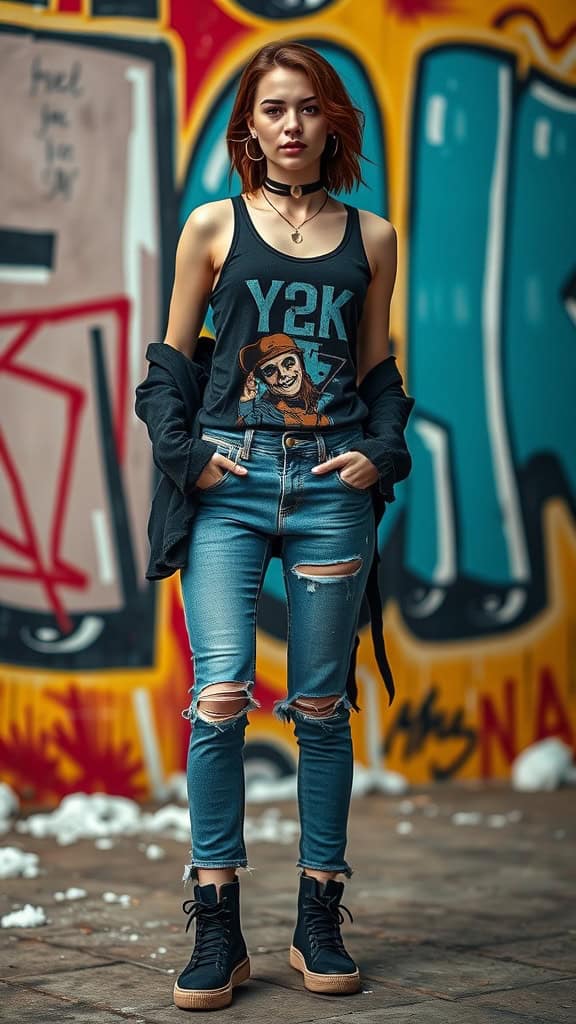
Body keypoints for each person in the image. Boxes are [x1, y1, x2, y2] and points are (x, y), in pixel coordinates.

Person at [135, 40, 415, 1012]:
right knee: (219, 694)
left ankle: (317, 912)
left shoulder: (371, 236)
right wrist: (187, 455)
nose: (290, 124)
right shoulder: (212, 227)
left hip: (332, 487)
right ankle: (216, 919)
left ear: (332, 121)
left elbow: (379, 371)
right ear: (247, 128)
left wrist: (383, 449)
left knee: (320, 708)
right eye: (272, 110)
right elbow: (169, 364)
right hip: (232, 480)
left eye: (306, 108)